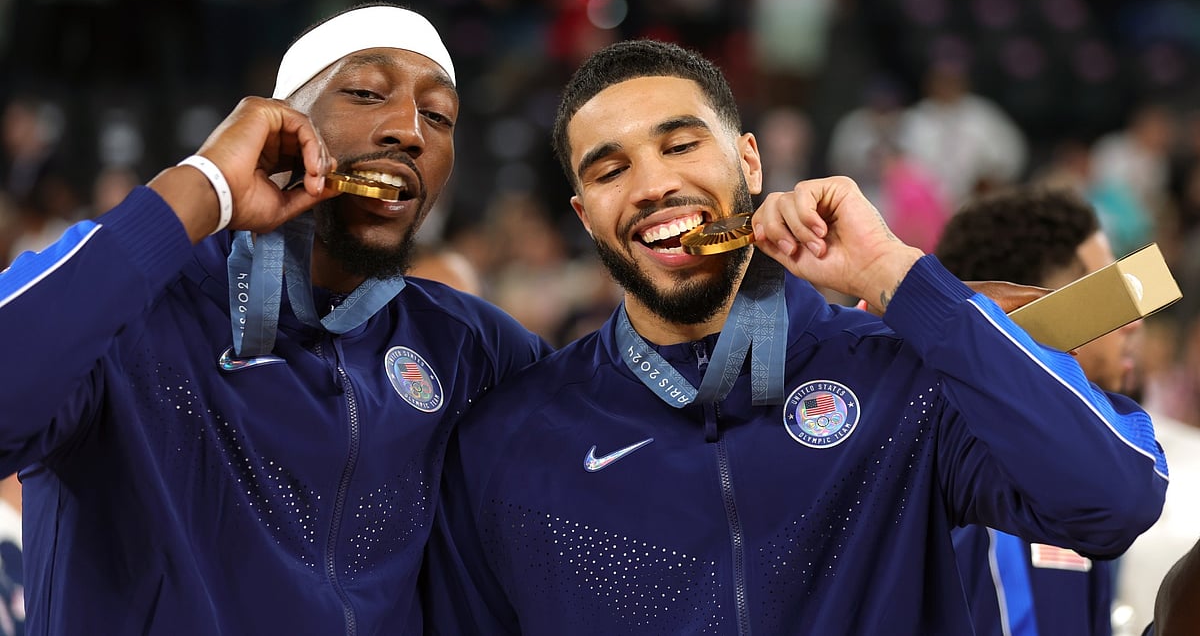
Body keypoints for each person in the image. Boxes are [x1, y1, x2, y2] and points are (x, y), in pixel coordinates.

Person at [420, 39, 1167, 635]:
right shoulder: (508, 442)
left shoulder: (903, 380)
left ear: (749, 160)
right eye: (611, 169)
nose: (651, 186)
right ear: (586, 217)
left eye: (680, 146)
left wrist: (894, 273)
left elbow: (1114, 499)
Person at [0, 3, 549, 635]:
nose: (410, 130)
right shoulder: (129, 306)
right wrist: (203, 187)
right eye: (367, 93)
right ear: (281, 126)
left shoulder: (472, 350)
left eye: (439, 116)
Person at [935, 186, 1140, 636]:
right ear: (1031, 307)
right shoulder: (982, 475)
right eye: (1105, 293)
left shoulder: (1083, 464)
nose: (1134, 321)